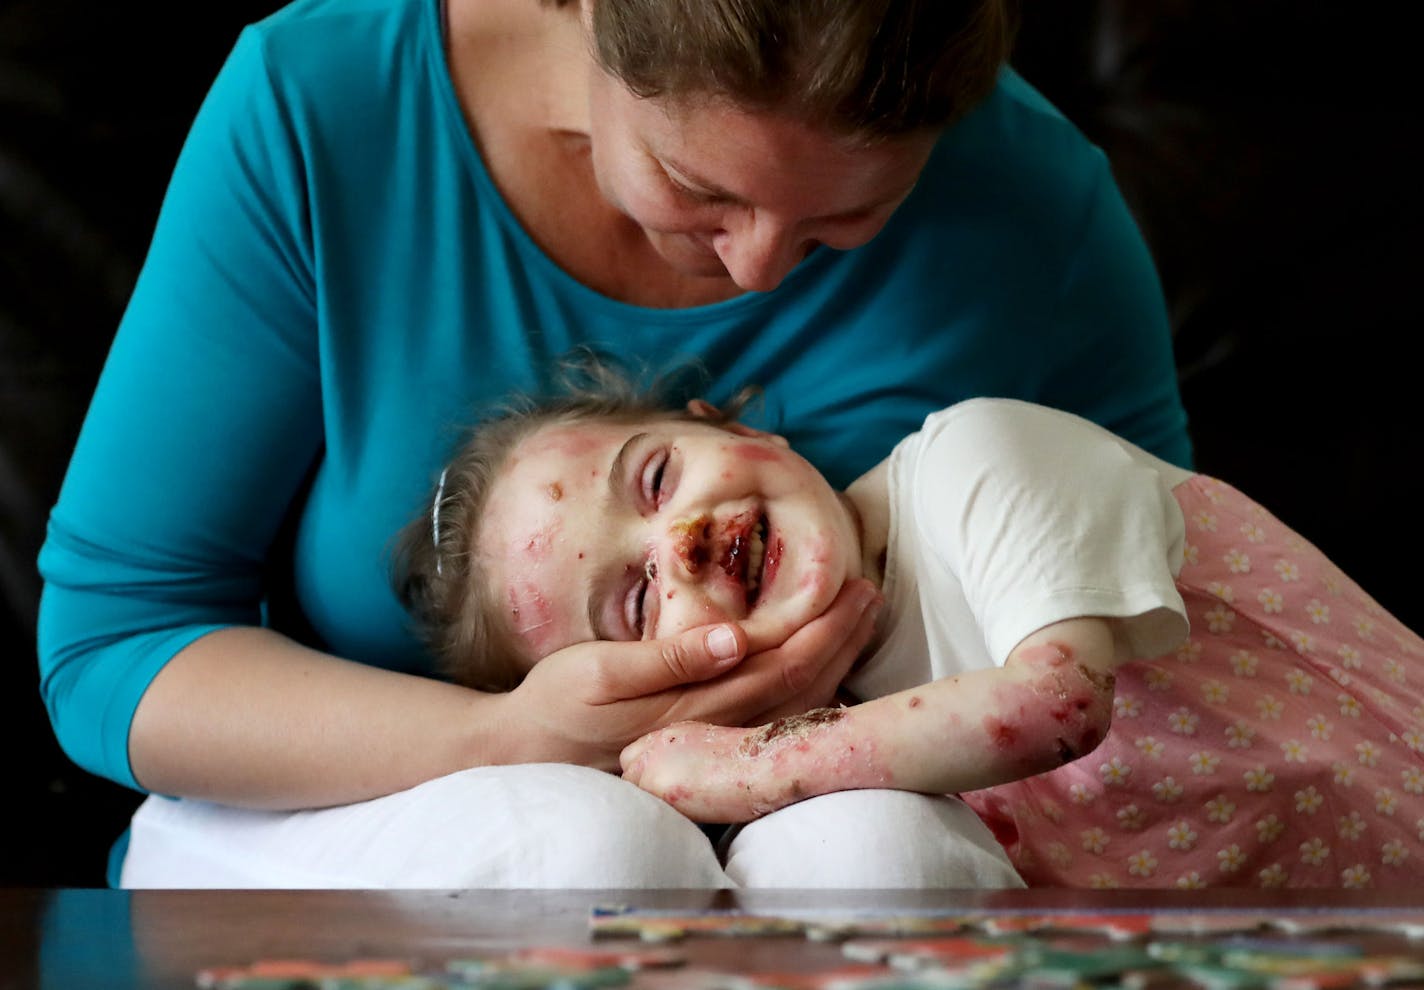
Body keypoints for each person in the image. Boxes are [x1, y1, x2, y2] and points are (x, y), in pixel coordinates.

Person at [38, 0, 1190, 888]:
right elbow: (113, 645)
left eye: (846, 221)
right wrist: (510, 735)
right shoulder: (323, 108)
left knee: (880, 857)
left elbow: (1189, 659)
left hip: (868, 841)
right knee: (588, 849)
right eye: (697, 190)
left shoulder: (1038, 215)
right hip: (408, 832)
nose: (758, 271)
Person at [406, 374, 1424, 889]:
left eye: (660, 477)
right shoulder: (845, 750)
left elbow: (1055, 704)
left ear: (737, 428)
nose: (682, 545)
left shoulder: (978, 459)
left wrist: (748, 762)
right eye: (635, 603)